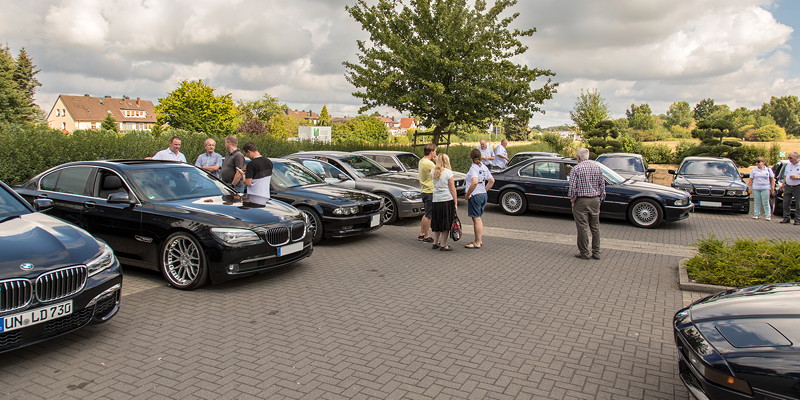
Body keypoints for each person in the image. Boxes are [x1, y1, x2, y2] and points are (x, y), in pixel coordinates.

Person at [568, 148, 606, 260]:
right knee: (595, 227)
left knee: (582, 227)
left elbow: (572, 188)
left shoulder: (576, 169)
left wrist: (573, 200)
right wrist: (600, 199)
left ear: (579, 157)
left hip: (581, 200)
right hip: (595, 199)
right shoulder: (597, 168)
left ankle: (584, 252)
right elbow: (602, 185)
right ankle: (596, 252)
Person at [463, 148, 494, 249]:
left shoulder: (474, 168)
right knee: (478, 218)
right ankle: (479, 239)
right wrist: (484, 190)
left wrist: (468, 194)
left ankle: (477, 241)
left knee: (476, 219)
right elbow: (492, 181)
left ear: (471, 157)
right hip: (483, 194)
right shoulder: (484, 167)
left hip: (475, 195)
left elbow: (475, 182)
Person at [430, 153, 458, 251]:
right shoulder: (448, 172)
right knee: (446, 223)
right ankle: (443, 244)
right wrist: (455, 202)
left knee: (437, 221)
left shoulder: (433, 171)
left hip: (436, 200)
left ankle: (435, 242)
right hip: (446, 200)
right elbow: (452, 189)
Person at [241, 142, 273, 207]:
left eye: (246, 154)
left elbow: (248, 183)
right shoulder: (269, 161)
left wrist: (243, 175)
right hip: (265, 196)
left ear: (249, 151)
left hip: (254, 197)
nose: (247, 156)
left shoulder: (251, 164)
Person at [417, 143, 436, 243]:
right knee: (429, 215)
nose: (435, 153)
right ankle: (427, 235)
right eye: (435, 151)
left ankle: (421, 233)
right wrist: (437, 161)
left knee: (426, 213)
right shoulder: (430, 163)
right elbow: (439, 172)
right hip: (430, 191)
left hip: (424, 190)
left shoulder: (421, 161)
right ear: (431, 152)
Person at [780, 151, 800, 224]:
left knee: (798, 204)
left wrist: (797, 177)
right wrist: (783, 183)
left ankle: (797, 219)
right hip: (788, 185)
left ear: (797, 157)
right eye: (788, 157)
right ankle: (786, 218)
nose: (789, 159)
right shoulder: (788, 165)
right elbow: (786, 175)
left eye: (791, 158)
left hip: (798, 186)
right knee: (786, 203)